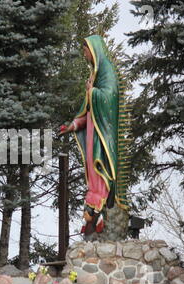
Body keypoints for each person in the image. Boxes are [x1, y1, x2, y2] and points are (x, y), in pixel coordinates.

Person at [60, 35, 121, 239]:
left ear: (94, 50)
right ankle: (92, 215)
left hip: (103, 137)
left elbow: (109, 97)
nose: (84, 53)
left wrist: (92, 92)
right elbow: (86, 112)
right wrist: (73, 126)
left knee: (100, 170)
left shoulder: (107, 73)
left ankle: (99, 213)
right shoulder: (94, 75)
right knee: (92, 175)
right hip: (91, 136)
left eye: (85, 49)